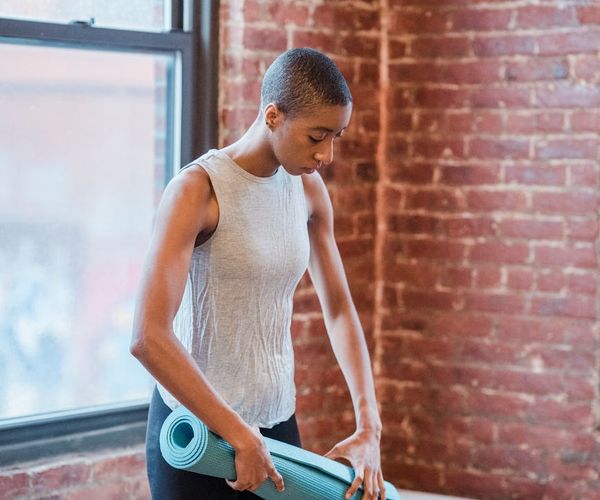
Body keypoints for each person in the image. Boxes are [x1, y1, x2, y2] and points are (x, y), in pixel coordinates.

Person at [130, 47, 386, 500]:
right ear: (272, 116)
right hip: (197, 430)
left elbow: (341, 310)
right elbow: (149, 337)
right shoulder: (196, 191)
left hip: (277, 425)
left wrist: (370, 428)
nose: (326, 153)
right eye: (316, 136)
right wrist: (237, 433)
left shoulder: (308, 189)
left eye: (336, 137)